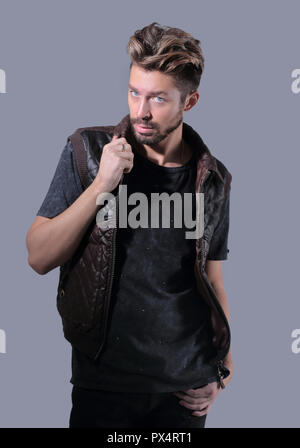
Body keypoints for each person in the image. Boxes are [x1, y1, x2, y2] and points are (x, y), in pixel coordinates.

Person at [26, 22, 233, 429]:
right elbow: (38, 256)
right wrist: (103, 184)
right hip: (105, 384)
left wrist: (223, 367)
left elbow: (213, 279)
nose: (141, 110)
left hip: (183, 387)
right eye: (134, 92)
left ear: (189, 102)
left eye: (158, 98)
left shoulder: (214, 179)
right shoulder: (87, 151)